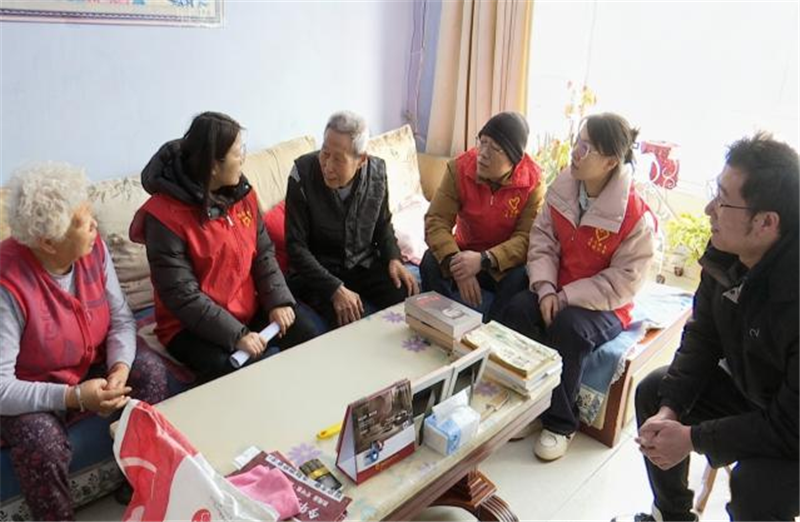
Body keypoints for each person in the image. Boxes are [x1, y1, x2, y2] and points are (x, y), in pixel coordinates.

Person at [621, 133, 798, 522]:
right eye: (714, 192)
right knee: (655, 393)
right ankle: (672, 516)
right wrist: (671, 411)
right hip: (756, 389)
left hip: (793, 424)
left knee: (756, 488)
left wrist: (694, 438)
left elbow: (789, 426)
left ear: (766, 222)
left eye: (722, 200)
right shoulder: (726, 255)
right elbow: (703, 336)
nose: (708, 209)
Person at [0, 163, 170, 521]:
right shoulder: (7, 284)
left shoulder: (93, 250)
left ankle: (138, 482)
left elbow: (121, 319)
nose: (95, 225)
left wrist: (119, 368)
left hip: (87, 360)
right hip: (28, 386)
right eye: (83, 221)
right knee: (40, 441)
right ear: (48, 242)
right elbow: (2, 388)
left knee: (151, 372)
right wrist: (74, 396)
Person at [501, 113, 655, 461]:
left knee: (568, 328)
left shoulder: (633, 215)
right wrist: (545, 288)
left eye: (586, 148)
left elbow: (624, 280)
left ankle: (560, 423)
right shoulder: (564, 188)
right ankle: (529, 407)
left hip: (605, 304)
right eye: (577, 142)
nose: (575, 152)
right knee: (518, 309)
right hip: (556, 288)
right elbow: (542, 241)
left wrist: (566, 296)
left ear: (611, 162)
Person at [130, 111, 316, 383]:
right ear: (213, 166)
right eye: (238, 153)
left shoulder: (242, 193)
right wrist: (237, 335)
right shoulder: (163, 217)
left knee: (307, 334)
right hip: (189, 326)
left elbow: (263, 254)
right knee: (239, 372)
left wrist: (277, 301)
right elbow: (183, 296)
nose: (243, 158)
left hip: (246, 307)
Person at [285, 110, 419, 327]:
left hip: (362, 264)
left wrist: (393, 258)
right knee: (349, 318)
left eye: (338, 159)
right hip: (320, 272)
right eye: (325, 153)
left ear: (361, 160)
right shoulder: (301, 173)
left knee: (407, 292)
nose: (328, 166)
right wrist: (334, 288)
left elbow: (383, 224)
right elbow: (295, 247)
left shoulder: (377, 172)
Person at [421, 111, 545, 321]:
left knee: (522, 276)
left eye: (495, 148)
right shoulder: (459, 168)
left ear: (514, 159)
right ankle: (441, 325)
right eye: (482, 142)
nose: (483, 154)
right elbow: (436, 220)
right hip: (462, 252)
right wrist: (457, 264)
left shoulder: (533, 182)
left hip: (500, 263)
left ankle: (490, 332)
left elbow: (526, 238)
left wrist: (485, 260)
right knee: (430, 261)